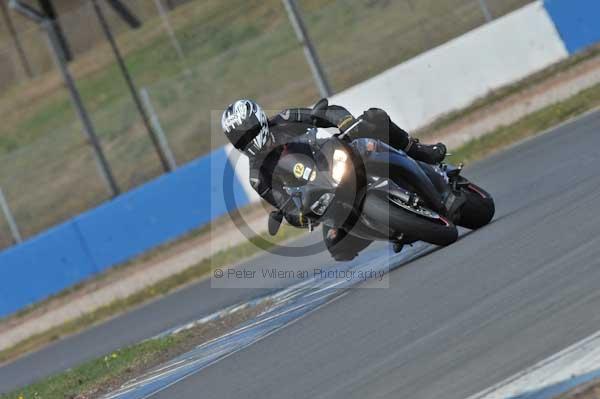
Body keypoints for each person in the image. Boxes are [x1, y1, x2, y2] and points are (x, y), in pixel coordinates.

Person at [221, 98, 447, 261]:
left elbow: (324, 113)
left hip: (336, 156)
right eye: (241, 141)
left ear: (259, 121)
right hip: (324, 194)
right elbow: (284, 205)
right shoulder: (257, 177)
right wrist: (300, 216)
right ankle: (391, 229)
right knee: (336, 247)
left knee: (374, 118)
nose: (248, 142)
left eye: (249, 134)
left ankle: (420, 151)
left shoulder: (285, 119)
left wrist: (347, 123)